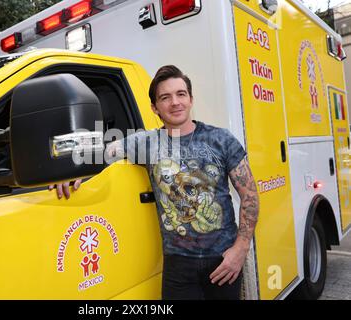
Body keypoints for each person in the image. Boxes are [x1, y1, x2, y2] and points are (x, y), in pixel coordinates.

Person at [50, 65, 259, 300]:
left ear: (191, 99)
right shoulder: (146, 143)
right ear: (155, 107)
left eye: (181, 94)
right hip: (177, 267)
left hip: (223, 262)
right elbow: (101, 153)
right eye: (165, 97)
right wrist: (72, 171)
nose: (175, 102)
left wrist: (240, 250)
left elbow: (250, 194)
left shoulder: (221, 139)